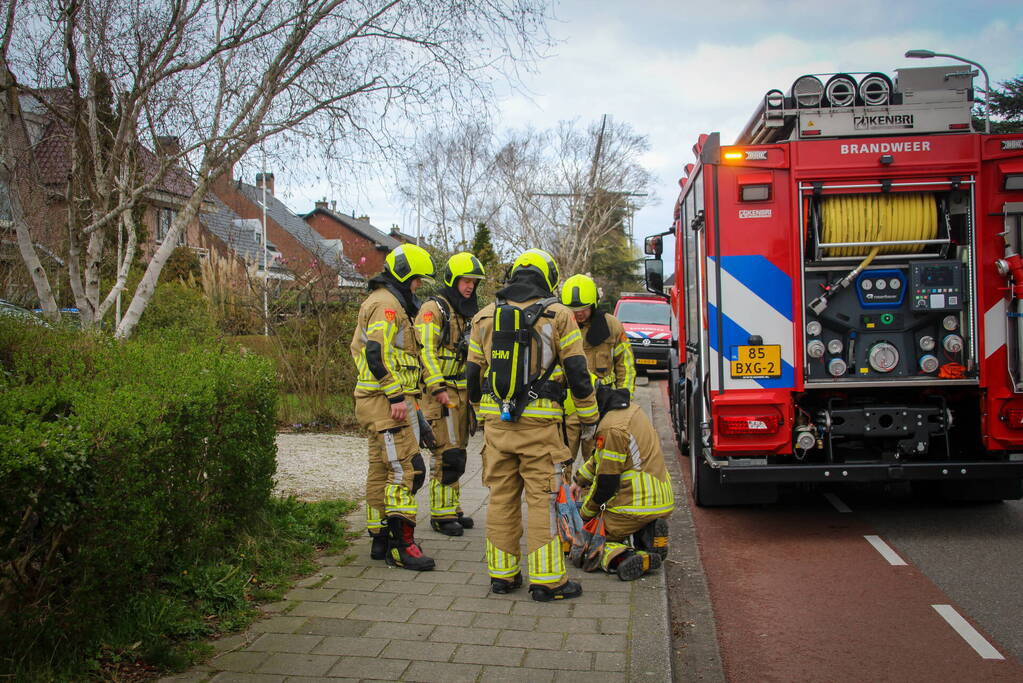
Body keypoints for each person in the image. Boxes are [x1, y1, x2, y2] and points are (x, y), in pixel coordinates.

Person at [466, 248, 599, 602]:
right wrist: (588, 416)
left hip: (497, 424)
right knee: (542, 499)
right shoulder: (559, 316)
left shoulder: (483, 316)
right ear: (549, 277)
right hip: (540, 425)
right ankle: (548, 581)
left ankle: (502, 575)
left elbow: (472, 375)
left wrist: (483, 413)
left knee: (501, 497)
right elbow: (577, 372)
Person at [350, 243, 436, 571]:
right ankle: (403, 547)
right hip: (386, 403)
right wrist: (396, 396)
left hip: (378, 400)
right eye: (416, 280)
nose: (417, 286)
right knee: (406, 469)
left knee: (381, 469)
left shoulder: (382, 302)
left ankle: (380, 538)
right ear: (403, 275)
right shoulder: (387, 306)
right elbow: (375, 353)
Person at [414, 252, 486, 537]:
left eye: (474, 282)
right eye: (465, 281)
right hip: (441, 394)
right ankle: (441, 515)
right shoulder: (434, 309)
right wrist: (438, 387)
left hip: (462, 393)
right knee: (445, 453)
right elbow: (425, 352)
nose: (470, 286)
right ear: (453, 280)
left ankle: (452, 507)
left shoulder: (465, 311)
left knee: (458, 452)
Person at [570, 384, 673, 581]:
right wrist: (578, 481)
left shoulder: (611, 428)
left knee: (589, 540)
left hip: (634, 504)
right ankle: (648, 533)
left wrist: (586, 515)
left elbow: (606, 483)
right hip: (658, 497)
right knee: (610, 524)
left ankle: (631, 558)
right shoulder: (629, 411)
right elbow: (600, 459)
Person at [559, 274, 636, 463]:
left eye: (583, 308)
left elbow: (625, 364)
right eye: (573, 309)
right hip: (567, 409)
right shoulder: (559, 325)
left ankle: (591, 493)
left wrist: (624, 398)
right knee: (561, 463)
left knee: (597, 464)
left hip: (601, 406)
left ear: (594, 303)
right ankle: (565, 493)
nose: (578, 314)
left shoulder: (612, 326)